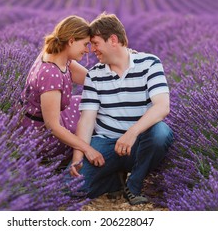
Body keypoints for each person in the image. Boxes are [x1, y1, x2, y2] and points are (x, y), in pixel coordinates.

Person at [69, 13, 174, 205]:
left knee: (161, 133)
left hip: (139, 143)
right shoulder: (94, 76)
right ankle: (113, 179)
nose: (92, 50)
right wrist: (79, 154)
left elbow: (162, 106)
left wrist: (131, 133)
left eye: (96, 43)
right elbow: (87, 120)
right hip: (106, 145)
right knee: (72, 188)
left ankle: (133, 185)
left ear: (113, 40)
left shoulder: (150, 63)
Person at [19, 15, 104, 165]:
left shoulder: (58, 56)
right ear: (71, 41)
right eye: (85, 44)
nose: (87, 50)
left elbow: (91, 79)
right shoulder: (51, 74)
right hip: (40, 136)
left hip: (49, 119)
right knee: (93, 122)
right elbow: (53, 127)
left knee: (90, 104)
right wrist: (87, 148)